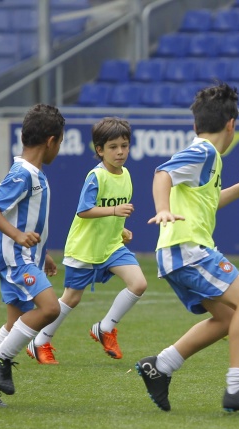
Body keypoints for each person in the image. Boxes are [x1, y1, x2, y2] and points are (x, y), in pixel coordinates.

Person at [135, 83, 239, 413]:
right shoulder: (204, 152)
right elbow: (162, 174)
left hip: (179, 252)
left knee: (230, 317)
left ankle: (161, 366)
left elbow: (208, 202)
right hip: (187, 248)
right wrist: (162, 208)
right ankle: (238, 388)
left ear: (195, 124)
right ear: (231, 125)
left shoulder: (207, 159)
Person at [0, 104, 65, 407]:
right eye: (59, 142)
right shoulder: (23, 174)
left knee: (15, 322)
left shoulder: (34, 173)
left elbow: (31, 220)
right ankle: (0, 358)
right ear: (50, 141)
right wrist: (19, 237)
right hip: (15, 257)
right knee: (50, 309)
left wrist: (42, 253)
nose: (58, 149)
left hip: (27, 256)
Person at [24, 117, 147, 364]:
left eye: (124, 145)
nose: (120, 151)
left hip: (111, 246)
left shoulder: (126, 174)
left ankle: (105, 328)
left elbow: (113, 209)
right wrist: (115, 212)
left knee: (139, 284)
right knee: (72, 298)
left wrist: (121, 230)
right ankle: (39, 341)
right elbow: (84, 210)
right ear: (99, 150)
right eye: (113, 147)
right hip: (85, 248)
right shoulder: (96, 176)